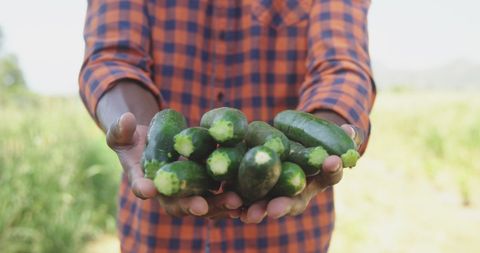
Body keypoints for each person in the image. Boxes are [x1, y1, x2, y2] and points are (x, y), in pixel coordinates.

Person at [79, 0, 375, 252]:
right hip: (157, 232)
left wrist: (329, 135)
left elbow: (341, 66)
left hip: (284, 234)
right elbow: (112, 58)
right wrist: (140, 132)